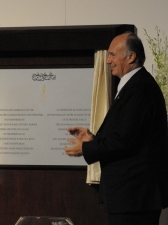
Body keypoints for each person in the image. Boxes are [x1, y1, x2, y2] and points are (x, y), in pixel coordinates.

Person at [64, 32, 168, 225]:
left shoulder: (139, 89)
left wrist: (86, 149)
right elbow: (127, 135)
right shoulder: (136, 86)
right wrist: (93, 140)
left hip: (135, 198)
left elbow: (124, 141)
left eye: (112, 55)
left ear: (131, 56)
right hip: (131, 197)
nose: (107, 61)